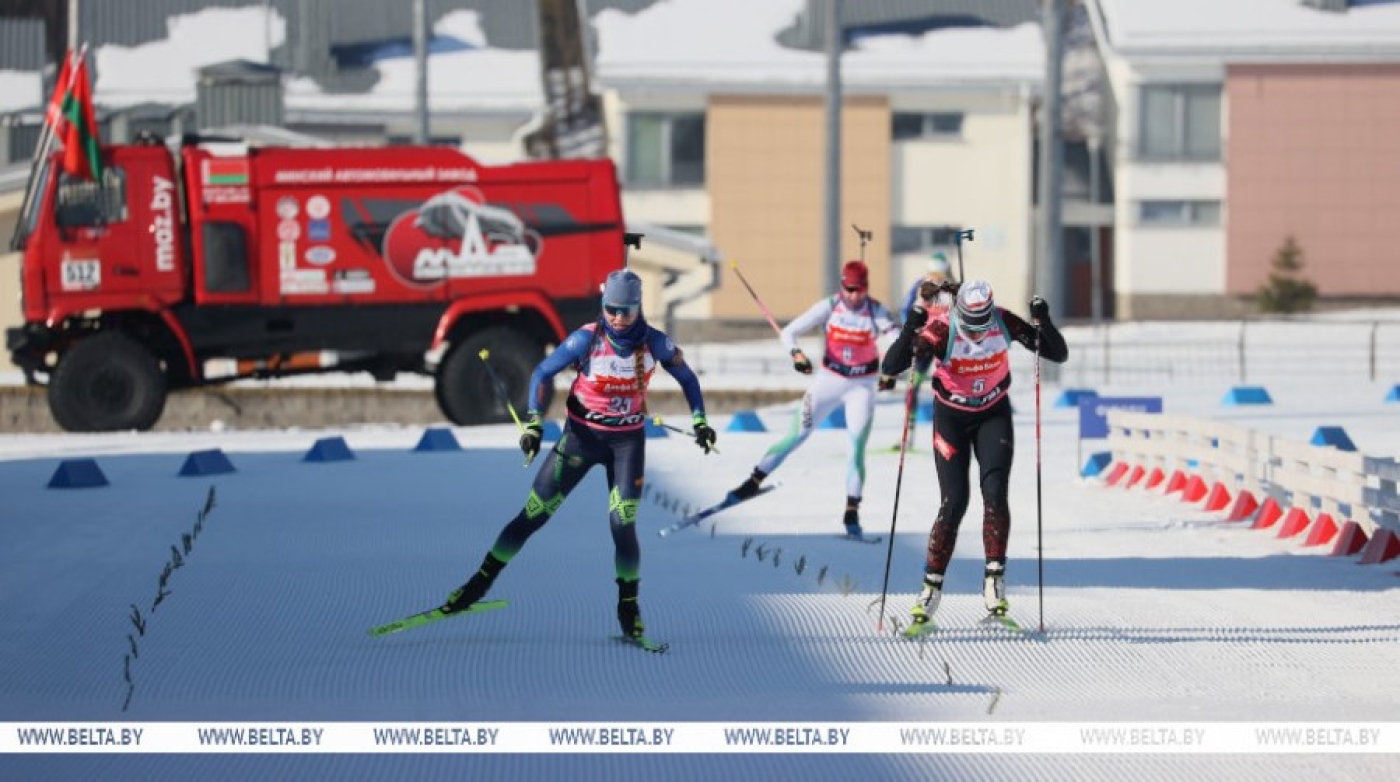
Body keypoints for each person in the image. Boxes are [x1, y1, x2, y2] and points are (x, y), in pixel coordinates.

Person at [442, 269, 716, 641]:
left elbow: (687, 379)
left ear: (639, 308)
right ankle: (476, 586)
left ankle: (628, 609)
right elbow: (540, 373)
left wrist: (700, 420)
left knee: (622, 525)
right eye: (612, 309)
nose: (618, 318)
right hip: (580, 440)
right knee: (533, 516)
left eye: (626, 311)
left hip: (627, 445)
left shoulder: (655, 343)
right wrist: (535, 424)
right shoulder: (587, 339)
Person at [878, 279, 1068, 629]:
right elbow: (891, 366)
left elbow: (1056, 352)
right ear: (960, 313)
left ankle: (994, 588)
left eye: (984, 325)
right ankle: (929, 592)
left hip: (993, 414)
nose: (979, 334)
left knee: (995, 493)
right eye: (972, 326)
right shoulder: (942, 328)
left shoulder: (1003, 321)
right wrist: (910, 329)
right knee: (955, 502)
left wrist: (1043, 322)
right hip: (951, 418)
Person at [727, 260, 899, 539]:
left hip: (862, 386)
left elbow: (897, 341)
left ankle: (851, 511)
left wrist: (893, 369)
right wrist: (796, 354)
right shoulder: (830, 306)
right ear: (842, 285)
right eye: (849, 289)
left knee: (856, 447)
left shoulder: (876, 311)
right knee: (797, 434)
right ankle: (753, 481)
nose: (854, 296)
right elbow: (789, 332)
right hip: (829, 380)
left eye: (859, 290)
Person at [895, 253, 955, 447]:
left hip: (944, 345)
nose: (936, 278)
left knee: (950, 388)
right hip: (923, 343)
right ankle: (908, 436)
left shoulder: (953, 289)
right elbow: (905, 310)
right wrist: (911, 330)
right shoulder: (920, 287)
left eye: (940, 274)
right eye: (933, 273)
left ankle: (954, 435)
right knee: (912, 386)